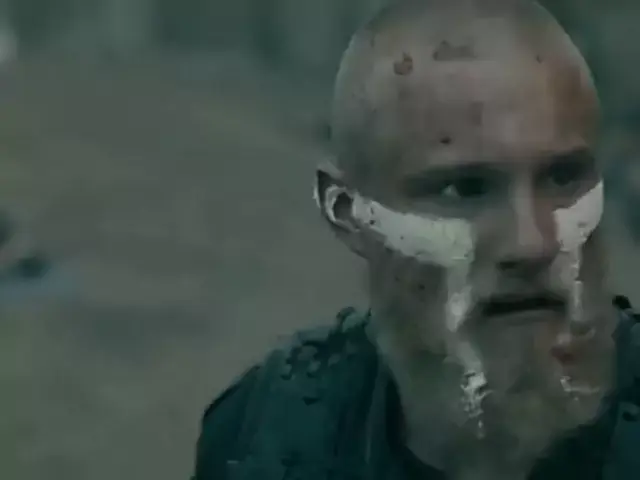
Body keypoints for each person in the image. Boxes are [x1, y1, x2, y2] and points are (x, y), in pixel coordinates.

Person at [192, 1, 640, 478]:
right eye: (464, 189)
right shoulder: (267, 433)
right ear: (348, 211)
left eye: (563, 177)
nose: (531, 242)